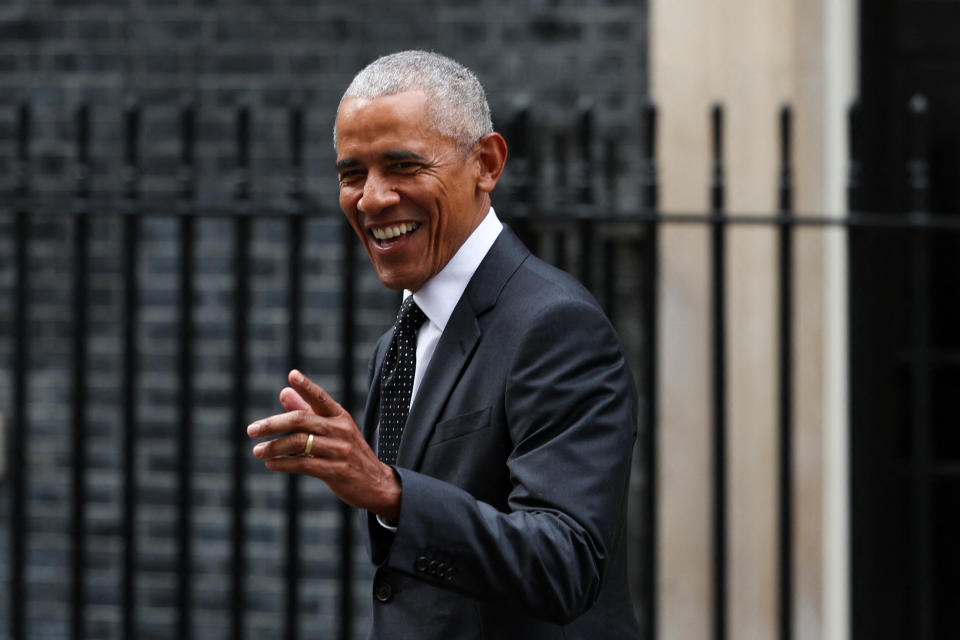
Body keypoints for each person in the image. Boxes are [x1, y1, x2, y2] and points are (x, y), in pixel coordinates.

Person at [247, 50, 641, 639]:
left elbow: (567, 562)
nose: (372, 198)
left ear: (486, 163)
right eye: (351, 173)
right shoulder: (400, 340)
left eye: (403, 166)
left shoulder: (555, 324)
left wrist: (391, 492)